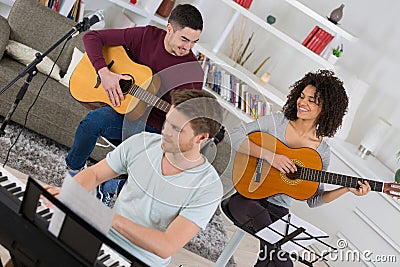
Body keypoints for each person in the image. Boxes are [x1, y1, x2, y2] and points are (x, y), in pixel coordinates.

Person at [48, 89, 224, 266]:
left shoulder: (208, 187)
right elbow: (94, 174)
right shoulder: (142, 142)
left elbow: (166, 245)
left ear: (201, 138)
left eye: (177, 129)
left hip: (141, 261)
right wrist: (69, 193)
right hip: (102, 239)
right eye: (167, 122)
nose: (166, 132)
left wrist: (106, 216)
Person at [227, 70, 372, 267]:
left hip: (279, 211)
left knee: (277, 260)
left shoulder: (321, 152)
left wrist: (346, 188)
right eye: (302, 96)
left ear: (326, 108)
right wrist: (270, 156)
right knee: (278, 251)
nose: (302, 103)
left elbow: (313, 199)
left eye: (312, 100)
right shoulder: (277, 123)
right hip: (246, 198)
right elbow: (235, 136)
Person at [66, 4, 205, 205]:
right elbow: (92, 37)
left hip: (154, 129)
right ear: (169, 29)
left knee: (141, 160)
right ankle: (73, 174)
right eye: (184, 39)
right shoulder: (147, 36)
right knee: (91, 123)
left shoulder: (193, 73)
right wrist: (104, 73)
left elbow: (182, 122)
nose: (188, 47)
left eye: (194, 42)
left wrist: (179, 121)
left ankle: (110, 189)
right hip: (124, 112)